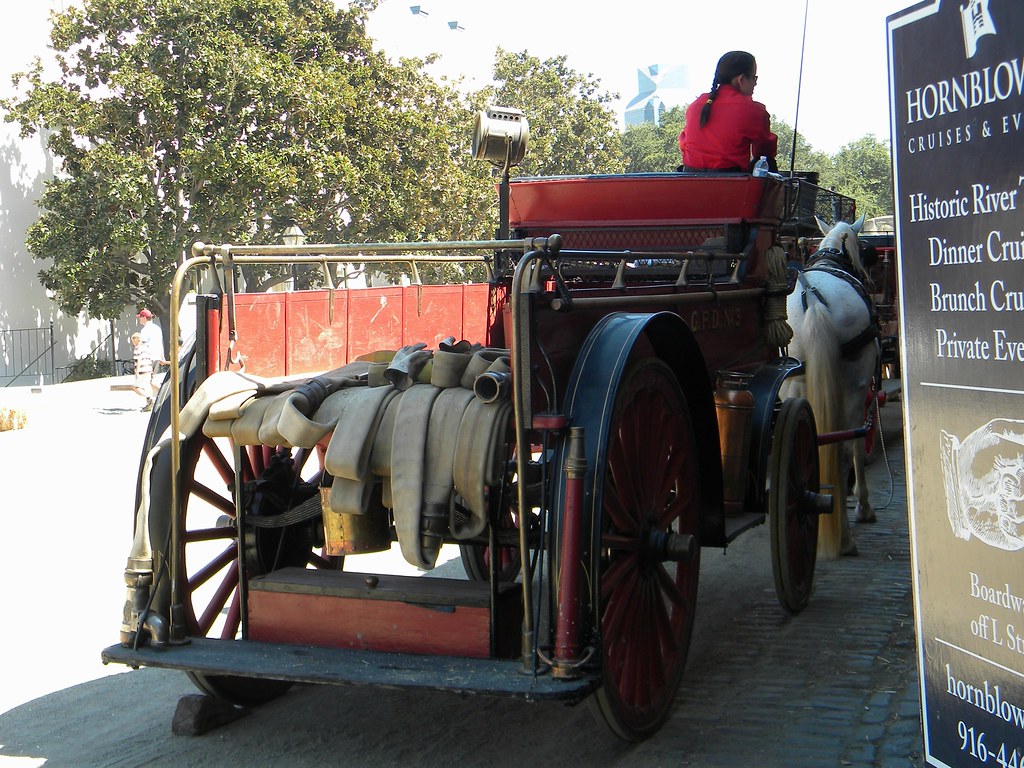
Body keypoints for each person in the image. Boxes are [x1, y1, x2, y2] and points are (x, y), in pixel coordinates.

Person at [679, 51, 778, 173]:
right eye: (754, 77)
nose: (755, 83)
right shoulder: (753, 110)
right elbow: (766, 150)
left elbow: (684, 144)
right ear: (741, 79)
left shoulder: (696, 105)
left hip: (690, 181)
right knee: (767, 162)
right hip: (731, 185)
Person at [136, 309, 168, 411]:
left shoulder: (145, 330)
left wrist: (139, 359)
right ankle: (155, 400)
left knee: (147, 380)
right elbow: (160, 343)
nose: (139, 319)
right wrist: (162, 357)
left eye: (140, 317)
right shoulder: (157, 328)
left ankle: (165, 395)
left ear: (144, 318)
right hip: (157, 356)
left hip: (148, 357)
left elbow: (144, 345)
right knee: (151, 379)